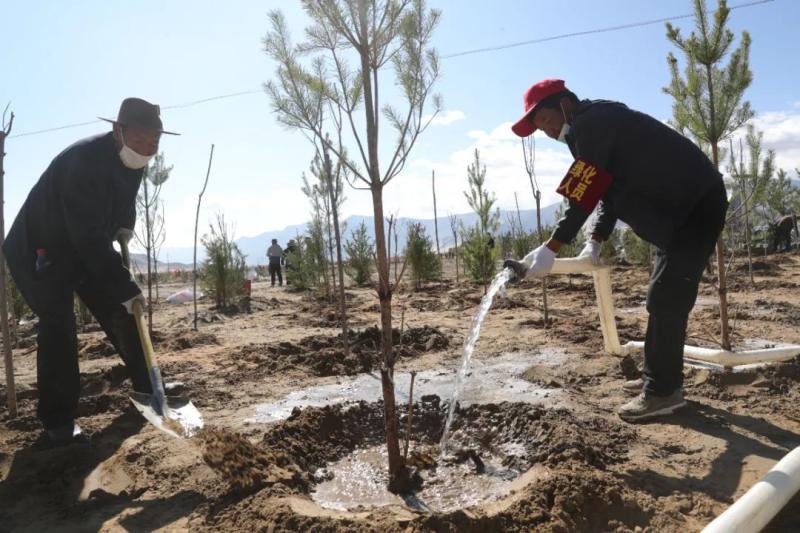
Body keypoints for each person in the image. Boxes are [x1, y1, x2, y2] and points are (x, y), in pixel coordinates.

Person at [504, 79, 728, 422]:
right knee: (661, 296)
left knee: (668, 298)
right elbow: (606, 192)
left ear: (564, 104)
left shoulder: (592, 123)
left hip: (695, 208)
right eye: (540, 129)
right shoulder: (590, 129)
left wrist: (552, 247)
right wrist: (596, 239)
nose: (547, 131)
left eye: (547, 121)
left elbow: (582, 195)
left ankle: (664, 393)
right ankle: (658, 377)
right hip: (680, 215)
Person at [3, 98, 178, 443]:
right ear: (118, 131)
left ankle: (149, 386)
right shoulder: (83, 161)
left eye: (154, 143)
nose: (146, 149)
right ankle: (57, 420)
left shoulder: (135, 158)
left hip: (81, 245)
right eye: (140, 140)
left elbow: (124, 197)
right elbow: (86, 236)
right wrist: (124, 283)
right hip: (40, 248)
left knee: (123, 311)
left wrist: (125, 225)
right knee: (59, 326)